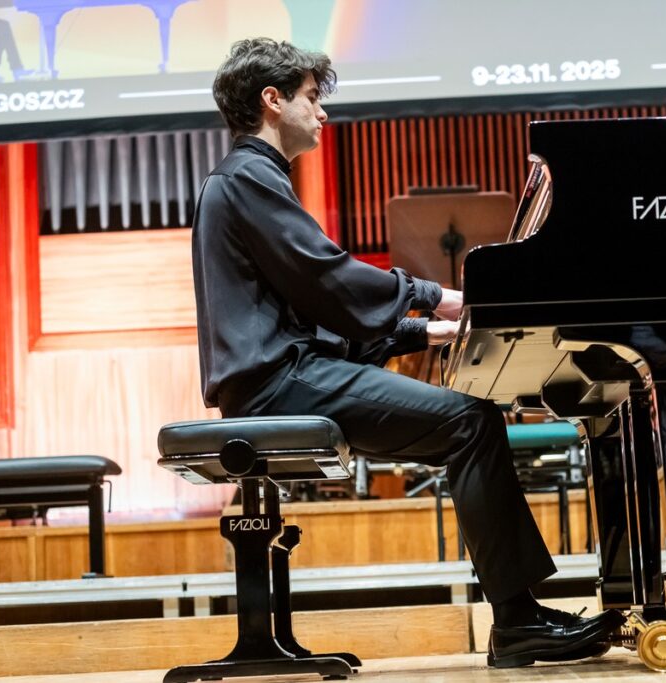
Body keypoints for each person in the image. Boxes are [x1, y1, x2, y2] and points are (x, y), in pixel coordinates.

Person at [193, 38, 624, 668]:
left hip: (283, 374)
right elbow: (328, 279)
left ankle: (521, 616)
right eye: (313, 98)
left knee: (467, 422)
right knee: (469, 421)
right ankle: (518, 621)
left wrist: (422, 333)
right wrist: (437, 298)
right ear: (272, 99)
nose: (323, 113)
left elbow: (316, 306)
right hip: (277, 383)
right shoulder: (248, 178)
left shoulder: (246, 180)